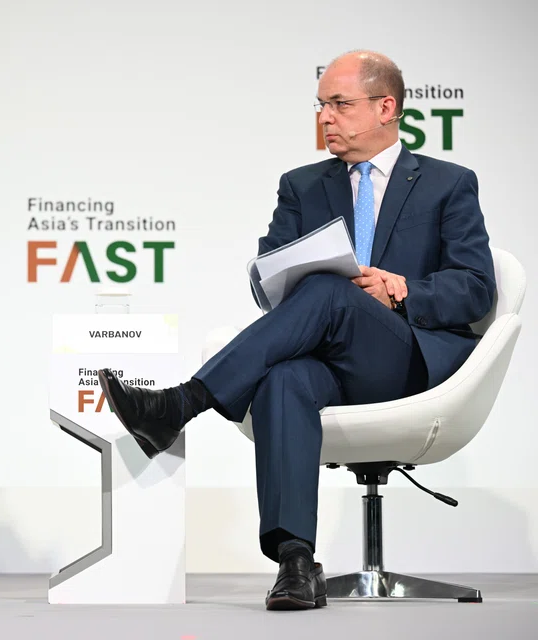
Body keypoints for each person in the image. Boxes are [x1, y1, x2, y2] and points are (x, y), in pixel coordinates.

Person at [98, 50, 495, 611]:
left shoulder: (446, 184)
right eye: (321, 105)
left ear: (387, 108)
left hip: (404, 359)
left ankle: (182, 403)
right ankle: (295, 562)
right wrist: (290, 284)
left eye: (340, 104)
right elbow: (269, 280)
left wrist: (402, 288)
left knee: (333, 290)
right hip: (327, 360)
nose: (326, 117)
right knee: (283, 378)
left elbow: (477, 288)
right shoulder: (302, 185)